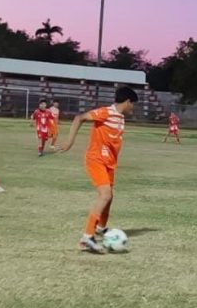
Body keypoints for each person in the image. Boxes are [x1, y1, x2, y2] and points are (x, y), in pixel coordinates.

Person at [59, 86, 139, 254]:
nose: (133, 108)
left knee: (109, 197)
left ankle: (100, 229)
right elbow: (79, 118)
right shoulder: (106, 112)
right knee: (105, 195)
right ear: (127, 102)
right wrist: (70, 141)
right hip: (96, 160)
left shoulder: (120, 117)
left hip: (109, 163)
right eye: (133, 104)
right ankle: (86, 238)